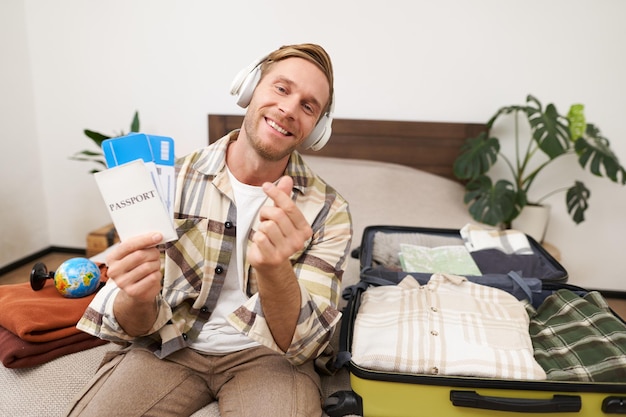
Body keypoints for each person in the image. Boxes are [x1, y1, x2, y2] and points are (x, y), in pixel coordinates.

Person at [66, 43, 352, 417]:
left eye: (308, 106)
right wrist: (136, 298)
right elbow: (133, 325)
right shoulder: (170, 180)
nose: (289, 109)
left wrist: (273, 268)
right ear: (250, 89)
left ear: (317, 129)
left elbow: (302, 343)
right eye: (281, 89)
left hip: (269, 358)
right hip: (170, 343)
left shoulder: (330, 211)